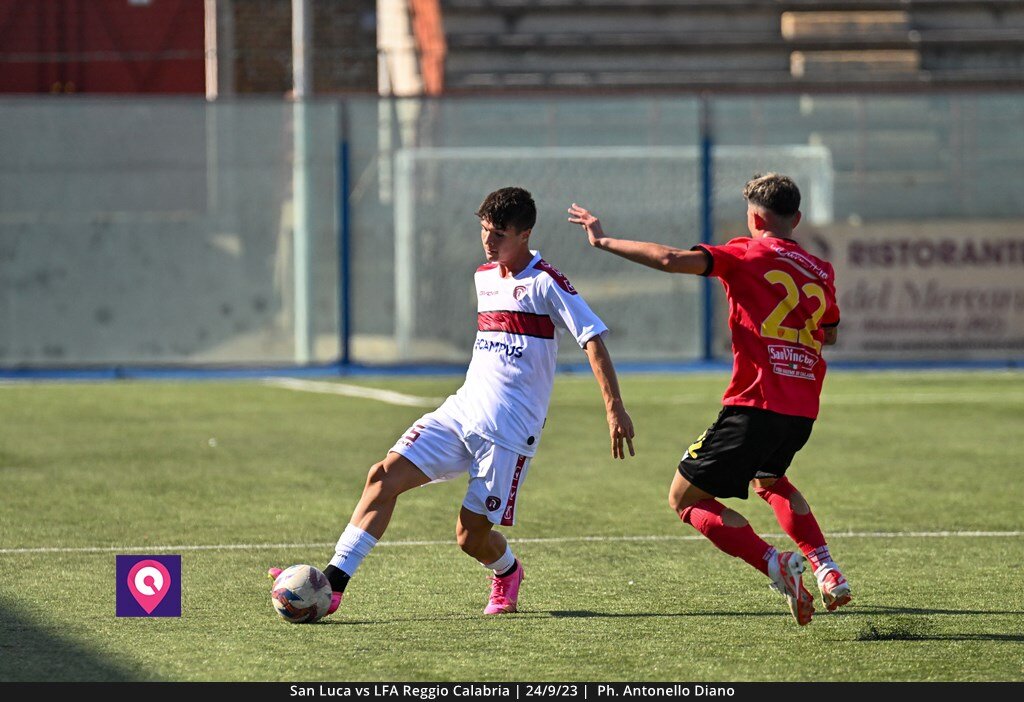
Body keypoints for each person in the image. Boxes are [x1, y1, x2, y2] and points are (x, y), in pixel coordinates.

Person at [273, 186, 635, 618]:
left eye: (499, 233)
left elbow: (592, 340)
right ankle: (332, 585)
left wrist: (614, 407)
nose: (488, 240)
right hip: (461, 411)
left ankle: (506, 570)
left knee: (470, 537)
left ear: (525, 234)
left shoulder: (545, 283)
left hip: (508, 431)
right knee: (382, 475)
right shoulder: (484, 276)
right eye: (484, 230)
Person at [568, 173, 850, 626]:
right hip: (802, 409)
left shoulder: (745, 251)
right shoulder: (821, 270)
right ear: (796, 218)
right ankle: (826, 567)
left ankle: (775, 565)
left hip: (755, 404)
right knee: (769, 479)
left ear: (755, 217)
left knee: (684, 498)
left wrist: (603, 242)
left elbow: (668, 258)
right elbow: (830, 333)